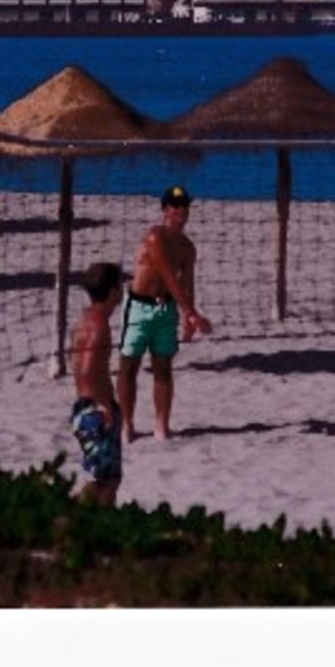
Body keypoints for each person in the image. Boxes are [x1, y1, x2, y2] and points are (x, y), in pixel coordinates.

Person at [117, 184, 214, 443]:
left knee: (163, 368)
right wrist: (190, 312)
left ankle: (161, 425)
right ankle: (126, 425)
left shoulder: (187, 248)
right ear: (165, 210)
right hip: (138, 307)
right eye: (175, 207)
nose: (181, 211)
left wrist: (188, 317)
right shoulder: (154, 238)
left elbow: (186, 283)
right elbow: (167, 276)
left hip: (166, 309)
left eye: (184, 207)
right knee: (128, 366)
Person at [68, 261, 124, 505]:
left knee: (104, 479)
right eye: (120, 285)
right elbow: (88, 368)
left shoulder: (85, 318)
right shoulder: (99, 325)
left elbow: (75, 363)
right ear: (113, 291)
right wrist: (102, 404)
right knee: (103, 481)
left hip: (84, 406)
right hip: (95, 409)